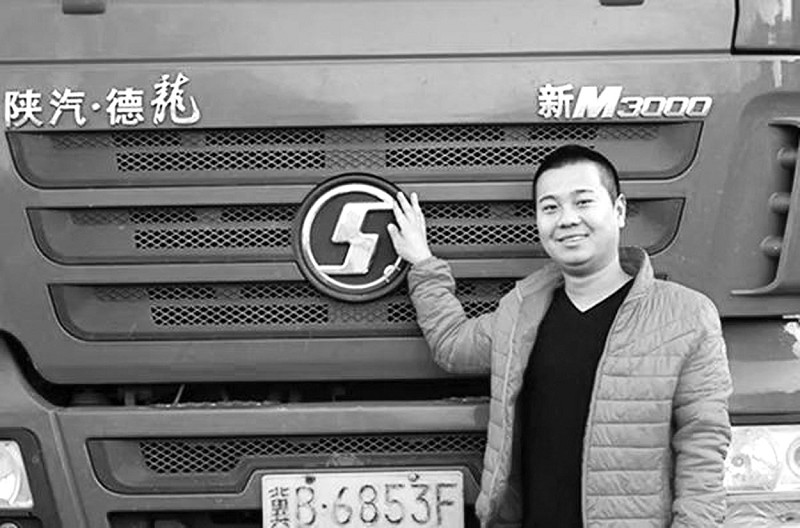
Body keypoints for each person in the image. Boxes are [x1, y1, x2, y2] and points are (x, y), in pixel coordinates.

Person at [387, 145, 732, 527]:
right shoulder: (521, 313)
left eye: (583, 202)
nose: (567, 219)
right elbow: (453, 345)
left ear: (618, 211)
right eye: (550, 208)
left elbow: (702, 445)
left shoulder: (685, 316)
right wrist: (423, 262)